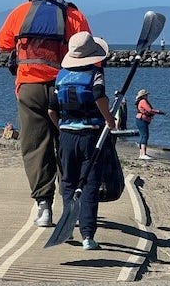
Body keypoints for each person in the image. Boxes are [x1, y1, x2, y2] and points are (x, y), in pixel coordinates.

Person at [0, 0, 91, 227]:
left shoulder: (21, 11)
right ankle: (70, 200)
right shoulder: (74, 16)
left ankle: (43, 205)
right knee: (67, 145)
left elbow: (3, 43)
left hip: (29, 87)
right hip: (64, 88)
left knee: (35, 146)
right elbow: (85, 50)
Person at [47, 31, 117, 250]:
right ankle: (87, 235)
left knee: (68, 181)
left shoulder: (60, 76)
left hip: (66, 136)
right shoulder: (95, 74)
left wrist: (61, 127)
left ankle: (67, 229)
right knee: (88, 185)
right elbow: (99, 97)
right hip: (91, 136)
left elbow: (51, 110)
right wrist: (110, 120)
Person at [135, 89, 165, 160]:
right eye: (146, 95)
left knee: (143, 136)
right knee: (145, 136)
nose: (147, 96)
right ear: (143, 96)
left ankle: (141, 154)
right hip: (142, 120)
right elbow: (149, 110)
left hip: (141, 120)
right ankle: (143, 154)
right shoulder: (143, 101)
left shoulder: (141, 101)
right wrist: (159, 112)